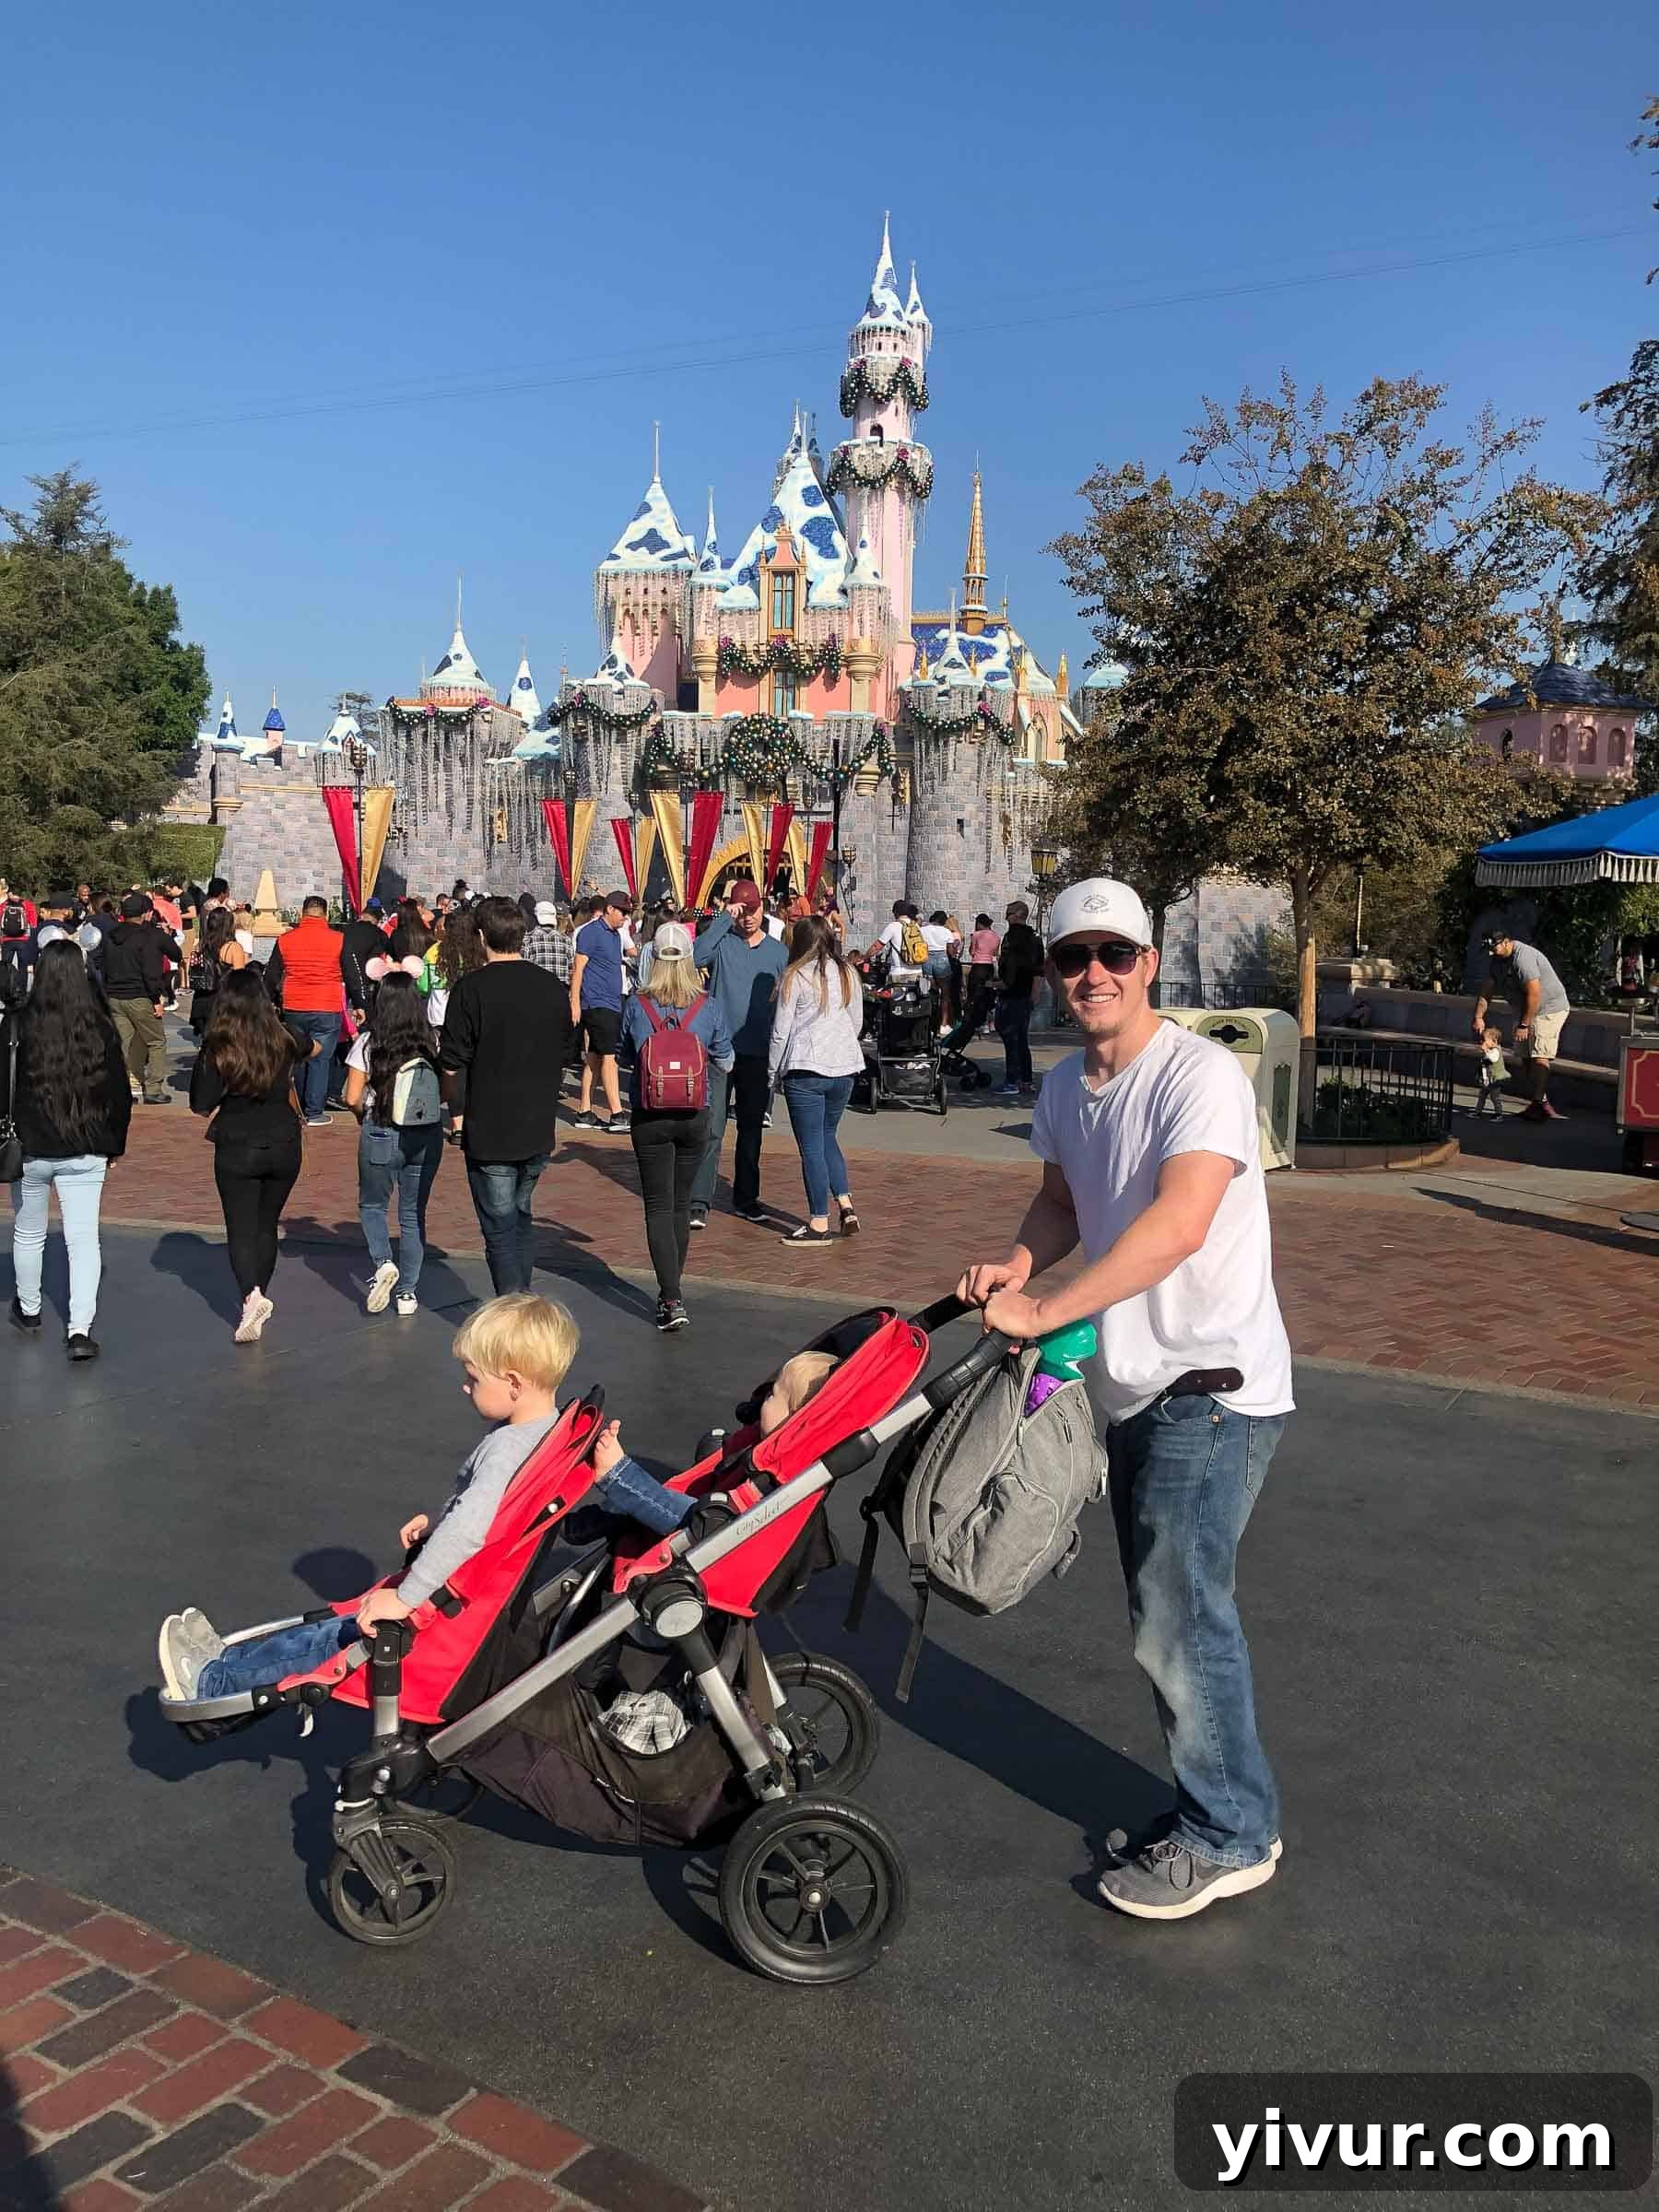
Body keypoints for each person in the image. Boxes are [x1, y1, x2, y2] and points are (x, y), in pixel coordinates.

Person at [957, 877, 1293, 1923]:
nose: (1093, 974)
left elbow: (1180, 1222)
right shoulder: (1066, 1090)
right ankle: (1218, 1805)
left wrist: (1048, 1308)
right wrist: (1021, 1264)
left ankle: (1231, 1831)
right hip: (1134, 1381)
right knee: (1168, 1610)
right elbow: (1064, 1199)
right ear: (1050, 971)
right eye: (1073, 958)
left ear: (1149, 963)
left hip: (1214, 1384)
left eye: (1114, 954)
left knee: (1181, 1617)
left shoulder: (1198, 1076)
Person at [155, 1294, 706, 1701]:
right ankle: (224, 1659)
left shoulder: (504, 1449)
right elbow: (487, 1521)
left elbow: (472, 1529)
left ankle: (212, 1678)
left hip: (440, 1612)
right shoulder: (550, 1434)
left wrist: (408, 1595)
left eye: (472, 1378)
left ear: (513, 1382)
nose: (464, 1387)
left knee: (333, 1637)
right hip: (463, 1592)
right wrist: (436, 1530)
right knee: (333, 1627)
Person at [3, 938, 131, 1359]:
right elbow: (118, 1092)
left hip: (30, 1144)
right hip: (86, 1143)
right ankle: (79, 1329)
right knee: (82, 1238)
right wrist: (114, 1144)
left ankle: (30, 1308)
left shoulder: (18, 1024)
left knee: (28, 1231)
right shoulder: (100, 1027)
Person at [440, 895, 571, 1295]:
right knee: (520, 1216)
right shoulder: (550, 986)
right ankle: (520, 1303)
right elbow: (567, 1053)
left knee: (500, 1227)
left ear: (482, 937)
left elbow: (450, 1063)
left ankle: (513, 1312)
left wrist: (454, 1109)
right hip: (536, 1126)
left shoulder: (471, 989)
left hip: (491, 1129)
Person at [190, 969, 318, 1343]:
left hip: (238, 1141)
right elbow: (317, 1047)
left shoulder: (220, 1045)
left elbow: (201, 1103)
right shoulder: (283, 1036)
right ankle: (259, 1292)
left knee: (241, 1225)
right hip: (284, 1141)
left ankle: (252, 1296)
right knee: (266, 1223)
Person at [620, 922, 734, 1331]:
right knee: (682, 1206)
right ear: (689, 959)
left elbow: (625, 1054)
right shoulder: (708, 1005)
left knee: (657, 1205)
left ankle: (670, 1296)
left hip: (650, 1115)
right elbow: (727, 1058)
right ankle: (673, 1292)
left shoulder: (638, 1005)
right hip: (693, 1113)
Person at [344, 971, 445, 1317]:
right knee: (413, 1215)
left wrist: (362, 1114)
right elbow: (446, 1091)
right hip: (426, 1132)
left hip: (381, 1128)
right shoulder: (432, 1042)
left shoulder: (370, 1042)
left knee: (373, 1205)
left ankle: (383, 1261)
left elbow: (351, 1096)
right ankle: (407, 1294)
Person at [691, 880, 786, 1229]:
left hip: (757, 1053)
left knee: (751, 1129)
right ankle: (699, 1201)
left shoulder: (778, 952)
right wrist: (722, 919)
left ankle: (746, 1198)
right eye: (741, 911)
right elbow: (696, 956)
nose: (748, 918)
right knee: (711, 1128)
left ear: (763, 909)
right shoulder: (722, 944)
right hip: (718, 1052)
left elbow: (786, 1001)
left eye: (753, 910)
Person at [769, 914, 864, 1246]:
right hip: (844, 1067)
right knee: (827, 1136)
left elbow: (781, 1030)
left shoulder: (795, 976)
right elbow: (856, 1021)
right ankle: (846, 1205)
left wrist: (773, 1071)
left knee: (810, 1146)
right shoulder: (848, 972)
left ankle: (819, 1222)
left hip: (806, 1067)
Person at [266, 896, 348, 1126]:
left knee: (298, 1056)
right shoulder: (339, 939)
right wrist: (361, 1005)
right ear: (326, 915)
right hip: (326, 1003)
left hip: (294, 1004)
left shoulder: (285, 940)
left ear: (303, 914)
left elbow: (271, 975)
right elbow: (352, 974)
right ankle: (314, 1112)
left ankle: (297, 1108)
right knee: (321, 1059)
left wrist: (271, 1000)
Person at [1474, 931, 1570, 1124]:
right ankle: (1541, 1102)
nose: (1491, 953)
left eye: (1494, 948)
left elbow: (1534, 994)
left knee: (1539, 1054)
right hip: (1524, 1009)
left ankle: (1537, 1105)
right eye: (1489, 949)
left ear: (1507, 942)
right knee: (1525, 1055)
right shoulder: (1497, 962)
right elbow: (1487, 990)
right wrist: (1478, 1017)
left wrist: (1525, 1024)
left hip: (1548, 1008)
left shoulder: (1523, 958)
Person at [570, 890, 630, 1133]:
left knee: (594, 1057)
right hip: (597, 1004)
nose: (625, 917)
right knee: (609, 1057)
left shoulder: (616, 936)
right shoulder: (590, 933)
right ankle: (617, 1112)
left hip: (612, 1002)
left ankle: (584, 1110)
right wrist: (575, 1002)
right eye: (623, 912)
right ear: (609, 909)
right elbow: (578, 969)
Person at [101, 893, 171, 1103]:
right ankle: (153, 1089)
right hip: (140, 996)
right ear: (146, 913)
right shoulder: (145, 937)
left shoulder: (110, 935)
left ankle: (125, 1089)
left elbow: (103, 965)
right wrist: (156, 998)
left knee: (125, 1042)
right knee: (156, 1041)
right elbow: (150, 971)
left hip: (115, 996)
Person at [994, 900, 1044, 1097]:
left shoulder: (1011, 937)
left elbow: (1010, 967)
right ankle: (1026, 1080)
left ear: (1016, 915)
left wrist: (999, 983)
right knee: (1021, 1039)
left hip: (1012, 993)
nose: (1006, 918)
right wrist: (1035, 993)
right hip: (1026, 993)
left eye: (1008, 914)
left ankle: (1012, 1081)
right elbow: (1039, 969)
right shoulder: (1035, 937)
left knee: (1009, 1035)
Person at [866, 900, 925, 984]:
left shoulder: (893, 926)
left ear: (896, 912)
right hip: (917, 972)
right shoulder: (916, 926)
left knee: (894, 997)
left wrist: (864, 957)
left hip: (899, 973)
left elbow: (877, 947)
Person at [524, 899, 574, 986]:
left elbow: (523, 971)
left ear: (535, 918)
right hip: (561, 993)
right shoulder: (566, 941)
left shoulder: (527, 940)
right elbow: (572, 971)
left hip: (537, 991)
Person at [921, 910, 960, 1021]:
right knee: (945, 993)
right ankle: (943, 1022)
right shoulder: (946, 931)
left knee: (927, 991)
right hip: (941, 959)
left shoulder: (922, 930)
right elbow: (951, 951)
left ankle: (928, 1020)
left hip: (926, 959)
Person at [965, 912, 1001, 1033]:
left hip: (978, 966)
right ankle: (990, 1023)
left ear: (979, 923)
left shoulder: (976, 935)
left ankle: (978, 1022)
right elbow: (995, 953)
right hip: (989, 966)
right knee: (988, 993)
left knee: (974, 994)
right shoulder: (996, 936)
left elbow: (972, 951)